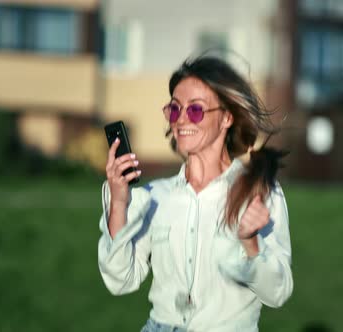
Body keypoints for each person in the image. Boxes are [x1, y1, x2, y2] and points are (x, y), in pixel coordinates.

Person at [98, 55, 293, 331]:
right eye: (175, 110)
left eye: (196, 110)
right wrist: (118, 203)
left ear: (226, 118)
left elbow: (278, 292)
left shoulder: (259, 192)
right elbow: (120, 280)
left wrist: (251, 242)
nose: (181, 120)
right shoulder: (154, 197)